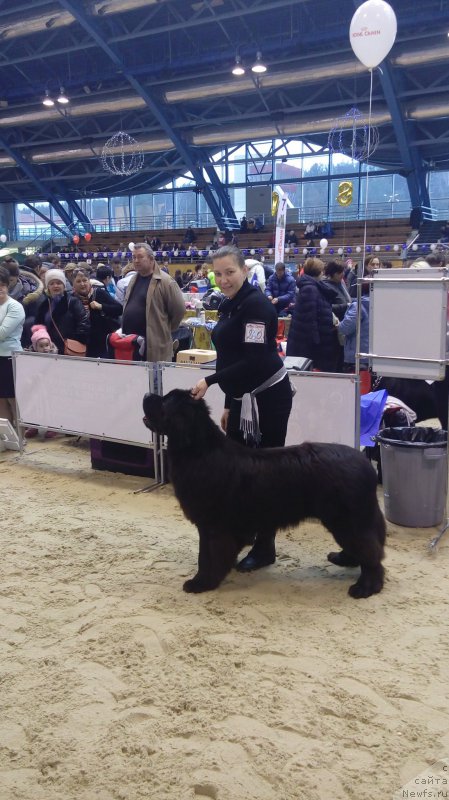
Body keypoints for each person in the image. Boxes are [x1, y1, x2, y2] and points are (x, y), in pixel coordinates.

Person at [190, 245, 293, 573]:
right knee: (237, 473)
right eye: (218, 274)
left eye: (229, 272)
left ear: (244, 271)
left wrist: (211, 381)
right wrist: (228, 402)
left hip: (269, 399)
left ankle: (266, 547)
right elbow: (230, 355)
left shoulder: (258, 307)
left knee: (267, 476)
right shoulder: (228, 305)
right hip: (241, 399)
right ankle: (241, 534)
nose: (223, 279)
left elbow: (254, 360)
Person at [121, 242, 185, 362]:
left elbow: (179, 310)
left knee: (154, 380)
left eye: (140, 257)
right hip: (132, 345)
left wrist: (164, 328)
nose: (136, 260)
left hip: (154, 347)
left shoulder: (166, 282)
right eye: (134, 257)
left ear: (151, 259)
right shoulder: (133, 280)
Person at [286, 257, 336, 371]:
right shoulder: (310, 289)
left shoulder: (312, 286)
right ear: (318, 271)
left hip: (310, 342)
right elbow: (309, 319)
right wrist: (316, 341)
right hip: (309, 346)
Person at [34, 268, 90, 355]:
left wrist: (75, 341)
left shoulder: (73, 302)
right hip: (49, 350)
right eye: (52, 283)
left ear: (64, 285)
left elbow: (83, 323)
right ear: (48, 287)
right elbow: (38, 326)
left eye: (59, 283)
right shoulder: (44, 305)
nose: (55, 286)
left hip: (69, 349)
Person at [71, 269, 122, 358]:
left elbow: (119, 309)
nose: (82, 284)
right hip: (79, 346)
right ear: (73, 284)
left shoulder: (99, 293)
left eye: (84, 280)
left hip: (102, 345)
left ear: (89, 281)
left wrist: (101, 306)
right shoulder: (71, 299)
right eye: (78, 281)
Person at [0, 265, 25, 425]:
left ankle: (20, 435)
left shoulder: (15, 306)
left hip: (10, 358)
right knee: (1, 399)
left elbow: (2, 332)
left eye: (1, 285)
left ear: (7, 285)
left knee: (12, 398)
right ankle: (7, 437)